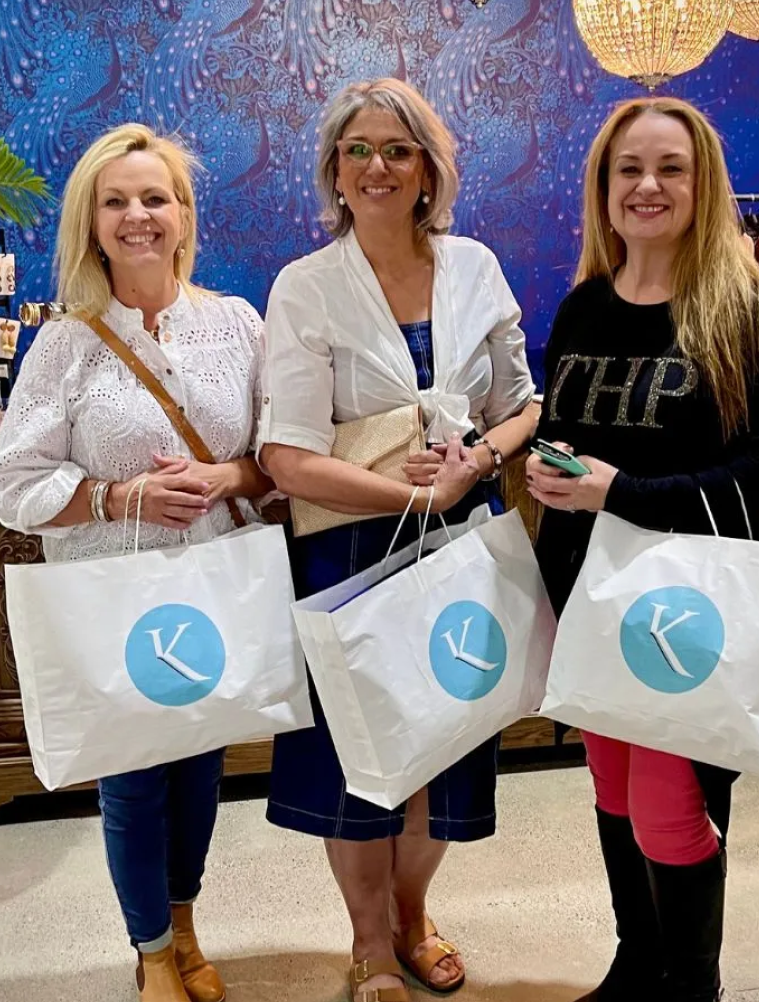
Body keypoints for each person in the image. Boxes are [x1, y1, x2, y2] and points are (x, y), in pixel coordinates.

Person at [258, 78, 538, 1002]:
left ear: (429, 170)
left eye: (398, 149)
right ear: (335, 171)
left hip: (462, 543)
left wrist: (475, 465)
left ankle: (415, 914)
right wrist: (395, 490)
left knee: (451, 748)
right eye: (358, 150)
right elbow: (287, 456)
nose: (377, 166)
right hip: (349, 554)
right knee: (360, 762)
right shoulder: (305, 285)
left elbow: (521, 406)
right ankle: (369, 940)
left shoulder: (477, 268)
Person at [527, 97, 759, 1002]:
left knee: (670, 806)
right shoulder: (580, 309)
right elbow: (564, 444)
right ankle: (634, 964)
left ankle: (692, 985)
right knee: (611, 785)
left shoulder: (737, 306)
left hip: (690, 610)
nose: (648, 186)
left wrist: (626, 492)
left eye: (670, 169)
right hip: (593, 601)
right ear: (604, 189)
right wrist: (540, 479)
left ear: (701, 185)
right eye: (629, 170)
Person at [0, 123, 273, 1002]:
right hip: (113, 598)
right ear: (92, 222)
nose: (137, 215)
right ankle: (151, 950)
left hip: (214, 590)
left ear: (184, 216)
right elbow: (10, 484)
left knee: (200, 770)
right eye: (116, 201)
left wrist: (226, 473)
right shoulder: (65, 346)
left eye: (155, 198)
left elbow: (278, 456)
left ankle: (184, 924)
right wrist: (116, 497)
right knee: (134, 779)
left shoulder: (239, 325)